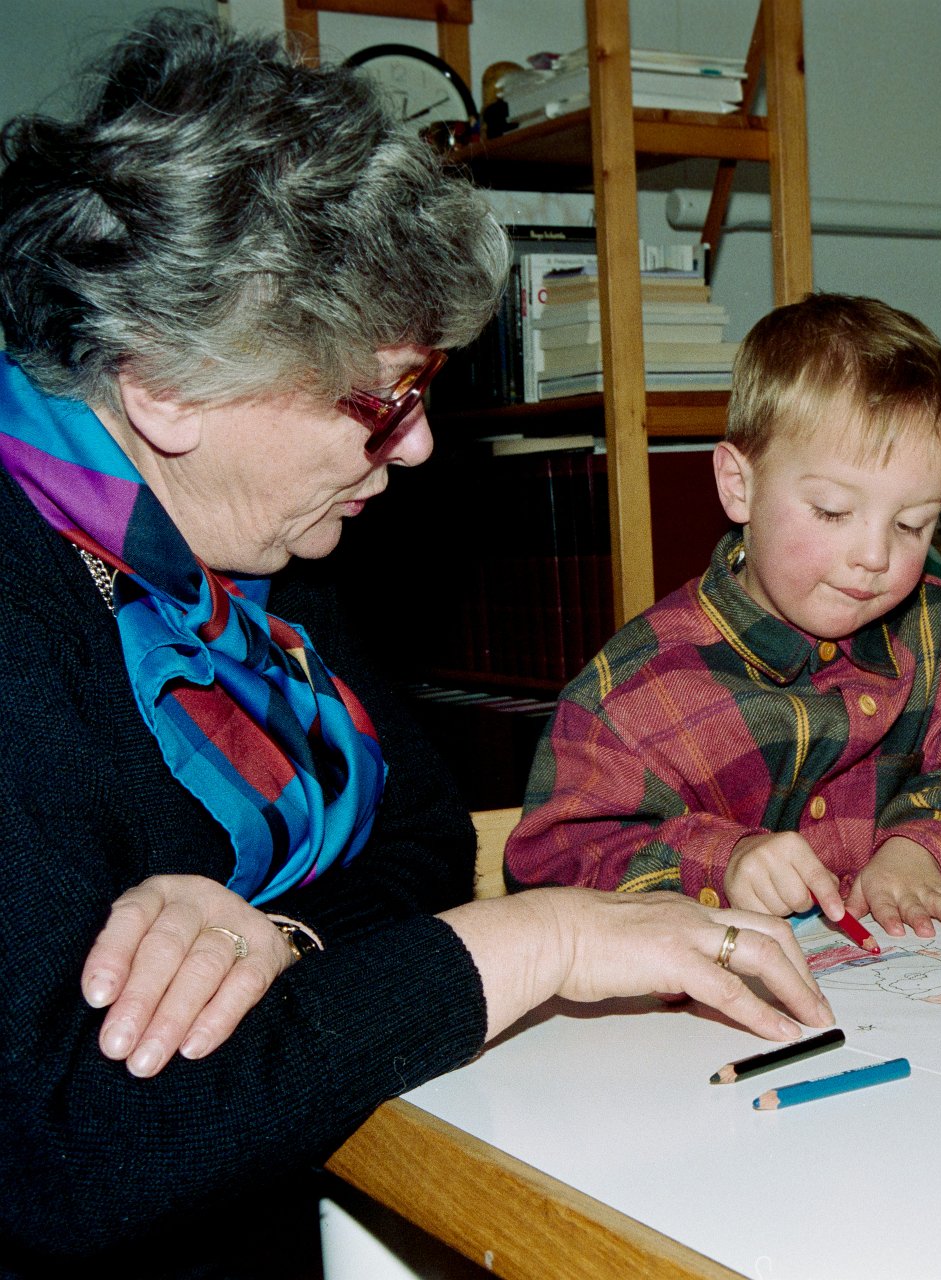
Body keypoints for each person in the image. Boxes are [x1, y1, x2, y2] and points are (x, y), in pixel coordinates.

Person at [0, 13, 830, 1276]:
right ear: (163, 379)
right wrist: (540, 938)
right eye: (384, 396)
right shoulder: (30, 612)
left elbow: (425, 835)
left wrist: (281, 937)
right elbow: (64, 1149)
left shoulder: (251, 556)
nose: (421, 442)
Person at [505, 292, 941, 938]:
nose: (874, 556)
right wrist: (723, 863)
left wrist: (919, 848)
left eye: (913, 524)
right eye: (832, 512)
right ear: (738, 486)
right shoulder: (635, 692)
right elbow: (552, 873)